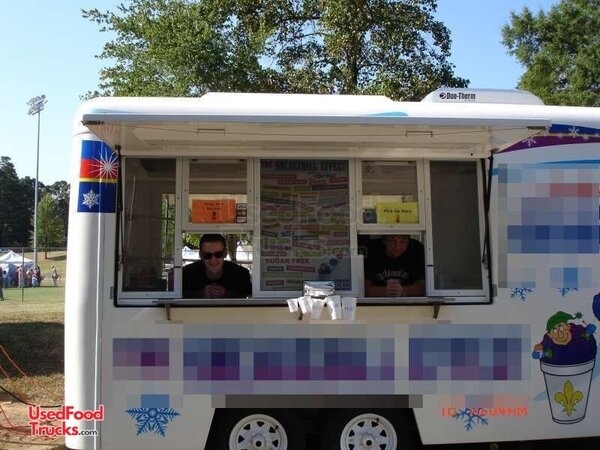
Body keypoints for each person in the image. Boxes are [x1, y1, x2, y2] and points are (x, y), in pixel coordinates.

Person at [183, 234, 252, 298]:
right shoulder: (186, 274)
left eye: (218, 254)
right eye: (207, 255)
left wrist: (226, 294)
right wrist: (201, 294)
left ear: (225, 253)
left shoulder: (240, 274)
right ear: (201, 255)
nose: (213, 260)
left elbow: (250, 296)